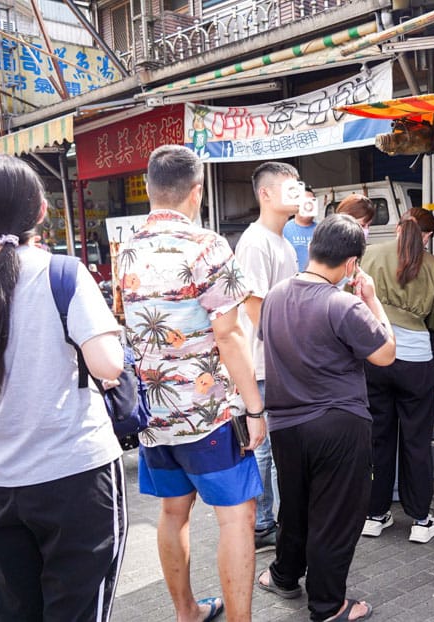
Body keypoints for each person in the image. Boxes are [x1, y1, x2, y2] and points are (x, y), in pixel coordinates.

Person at [0, 154, 126, 621]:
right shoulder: (63, 272)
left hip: (2, 480)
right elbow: (108, 365)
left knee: (16, 611)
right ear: (42, 210)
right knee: (78, 610)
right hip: (76, 474)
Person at [118, 145, 265, 622]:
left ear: (150, 187)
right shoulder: (208, 246)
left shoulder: (129, 248)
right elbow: (230, 333)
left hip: (153, 413)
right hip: (208, 415)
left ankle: (186, 613)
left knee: (172, 512)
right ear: (196, 191)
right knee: (237, 516)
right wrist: (256, 408)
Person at [256, 213, 395, 622]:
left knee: (295, 509)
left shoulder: (275, 295)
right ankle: (328, 604)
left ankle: (283, 576)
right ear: (352, 264)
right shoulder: (345, 304)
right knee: (334, 516)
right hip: (337, 424)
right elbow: (385, 353)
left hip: (285, 426)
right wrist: (371, 298)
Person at [360, 207, 434, 544]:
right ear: (427, 236)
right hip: (415, 361)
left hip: (376, 358)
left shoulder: (370, 255)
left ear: (398, 227)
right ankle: (420, 520)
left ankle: (374, 514)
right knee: (415, 440)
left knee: (378, 437)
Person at [236, 161, 301, 553]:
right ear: (265, 194)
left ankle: (270, 521)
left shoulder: (282, 241)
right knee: (263, 448)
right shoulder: (256, 241)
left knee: (275, 449)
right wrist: (287, 353)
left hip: (276, 360)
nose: (297, 194)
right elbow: (254, 307)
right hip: (264, 362)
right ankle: (261, 525)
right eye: (289, 188)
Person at [282, 185, 317, 271]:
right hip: (293, 282)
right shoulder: (283, 230)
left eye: (311, 202)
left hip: (316, 282)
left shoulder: (322, 230)